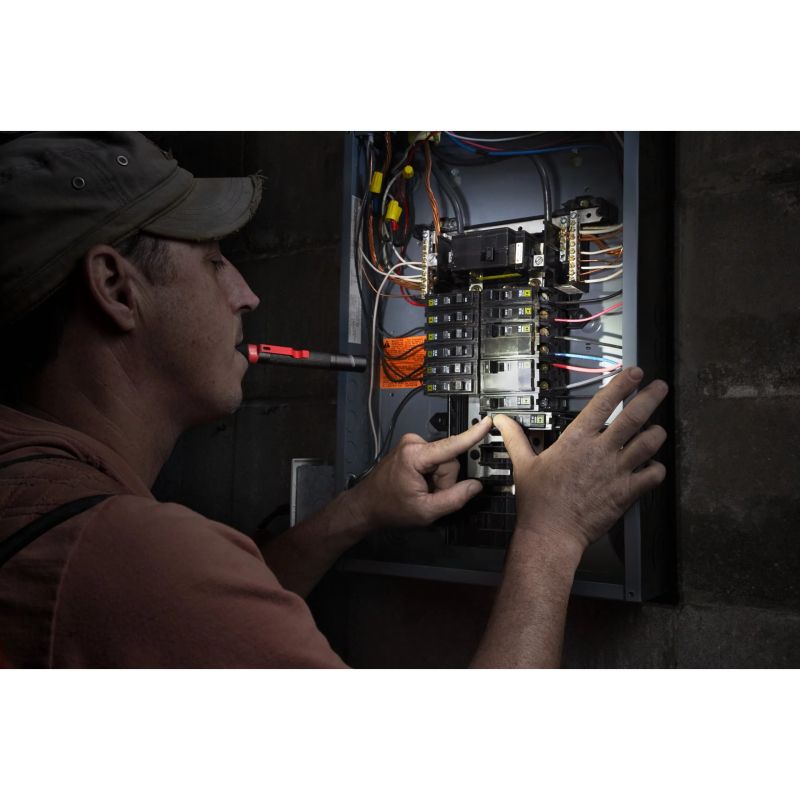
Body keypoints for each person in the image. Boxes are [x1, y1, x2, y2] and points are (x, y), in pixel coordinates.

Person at [0, 132, 668, 668]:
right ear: (116, 288)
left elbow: (206, 619)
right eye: (213, 260)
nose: (246, 294)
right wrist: (551, 535)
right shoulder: (132, 559)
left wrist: (359, 509)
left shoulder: (39, 498)